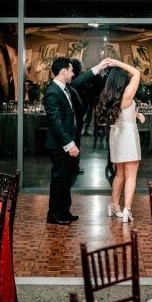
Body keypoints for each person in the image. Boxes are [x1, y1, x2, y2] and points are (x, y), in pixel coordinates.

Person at [44, 56, 111, 225]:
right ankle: (54, 214)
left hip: (67, 144)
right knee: (59, 179)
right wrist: (69, 144)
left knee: (66, 179)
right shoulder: (52, 92)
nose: (73, 73)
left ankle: (64, 211)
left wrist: (98, 67)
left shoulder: (65, 87)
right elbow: (56, 123)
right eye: (71, 70)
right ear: (63, 71)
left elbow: (81, 79)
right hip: (60, 145)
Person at [95, 58, 144, 223]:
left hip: (116, 136)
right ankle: (127, 210)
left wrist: (135, 114)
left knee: (119, 174)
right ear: (123, 80)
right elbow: (137, 72)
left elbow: (120, 113)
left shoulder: (109, 96)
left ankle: (113, 205)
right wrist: (118, 63)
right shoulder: (128, 94)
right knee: (131, 175)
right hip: (128, 135)